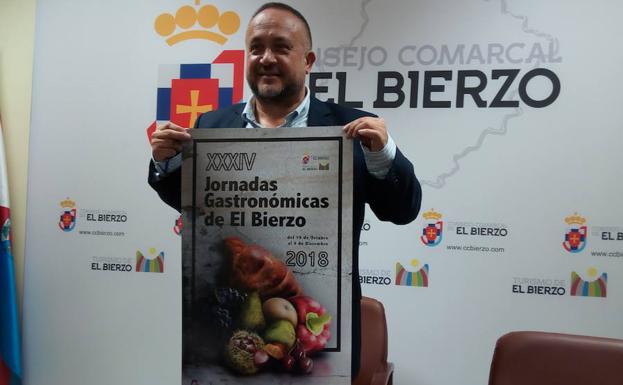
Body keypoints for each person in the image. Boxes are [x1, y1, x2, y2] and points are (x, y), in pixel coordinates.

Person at [148, 2, 422, 378]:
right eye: (256, 47)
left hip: (318, 337)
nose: (266, 58)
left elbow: (402, 210)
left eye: (281, 47)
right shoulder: (213, 124)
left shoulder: (349, 127)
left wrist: (383, 155)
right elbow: (194, 209)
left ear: (308, 60)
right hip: (228, 328)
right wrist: (166, 163)